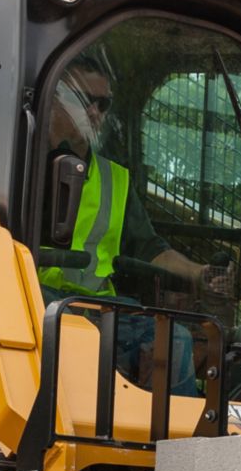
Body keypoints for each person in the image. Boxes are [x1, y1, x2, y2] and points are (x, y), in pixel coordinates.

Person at [34, 56, 217, 397]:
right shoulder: (19, 163)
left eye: (104, 103)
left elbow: (150, 248)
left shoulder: (113, 178)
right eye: (86, 100)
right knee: (68, 331)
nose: (96, 112)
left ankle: (176, 443)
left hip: (97, 306)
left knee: (172, 337)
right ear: (55, 98)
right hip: (29, 296)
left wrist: (199, 272)